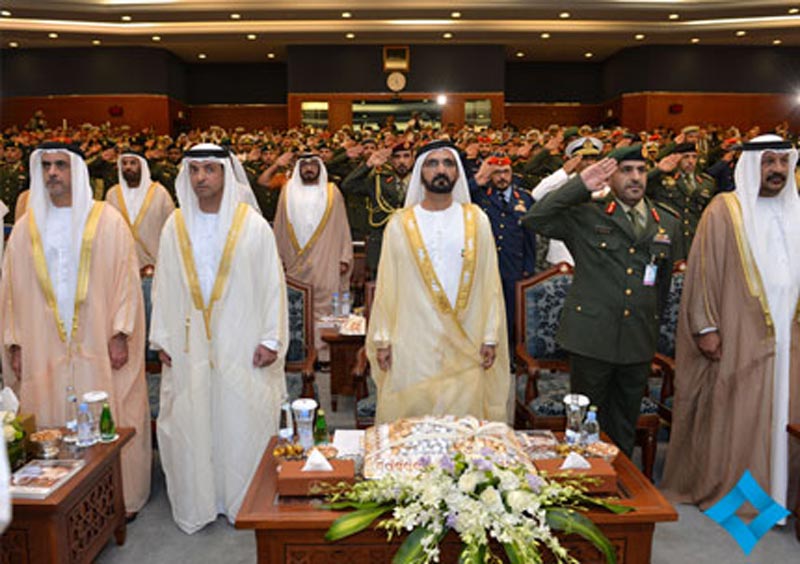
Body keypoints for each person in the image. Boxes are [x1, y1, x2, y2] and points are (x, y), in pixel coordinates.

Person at [0, 142, 151, 514]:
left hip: (99, 342)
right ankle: (55, 507)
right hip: (43, 342)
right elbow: (10, 292)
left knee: (108, 412)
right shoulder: (24, 229)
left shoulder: (108, 220)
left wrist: (121, 332)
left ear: (77, 171)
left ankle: (116, 501)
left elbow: (127, 281)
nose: (53, 173)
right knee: (48, 417)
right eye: (47, 166)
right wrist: (14, 343)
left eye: (61, 166)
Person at [149, 143, 288, 534]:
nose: (201, 179)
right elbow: (162, 285)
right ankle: (201, 501)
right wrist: (161, 339)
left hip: (243, 343)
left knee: (241, 420)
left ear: (226, 174)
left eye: (210, 169)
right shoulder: (174, 226)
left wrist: (271, 340)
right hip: (188, 344)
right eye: (194, 171)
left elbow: (271, 286)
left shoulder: (253, 226)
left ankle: (242, 500)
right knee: (193, 423)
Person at [662, 134, 799, 514]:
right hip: (741, 334)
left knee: (787, 414)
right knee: (742, 416)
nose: (776, 170)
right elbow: (702, 273)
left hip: (791, 336)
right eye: (768, 162)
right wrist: (706, 327)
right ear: (752, 166)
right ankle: (743, 501)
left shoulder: (797, 209)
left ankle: (783, 495)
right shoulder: (725, 210)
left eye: (783, 162)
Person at [523, 145, 684, 457]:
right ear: (611, 177)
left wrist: (650, 326)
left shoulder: (666, 222)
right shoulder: (587, 214)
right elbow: (535, 217)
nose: (635, 178)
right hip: (592, 337)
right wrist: (579, 185)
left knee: (625, 421)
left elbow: (661, 285)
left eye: (640, 170)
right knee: (583, 421)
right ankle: (585, 483)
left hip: (638, 336)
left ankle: (620, 481)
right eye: (626, 170)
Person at [367, 141, 511, 424]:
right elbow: (387, 287)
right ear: (421, 171)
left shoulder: (477, 219)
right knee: (412, 425)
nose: (440, 170)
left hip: (467, 336)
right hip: (413, 339)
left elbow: (490, 283)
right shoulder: (399, 223)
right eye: (432, 164)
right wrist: (382, 339)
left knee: (463, 427)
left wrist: (490, 336)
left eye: (448, 163)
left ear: (458, 172)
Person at [273, 153, 352, 341]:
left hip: (327, 259)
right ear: (298, 168)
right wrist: (277, 257)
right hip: (294, 261)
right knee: (296, 307)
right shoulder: (287, 191)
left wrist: (344, 257)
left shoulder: (332, 192)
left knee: (327, 306)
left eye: (313, 165)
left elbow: (342, 226)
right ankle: (300, 353)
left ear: (320, 168)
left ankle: (325, 352)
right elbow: (280, 226)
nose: (309, 169)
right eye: (305, 165)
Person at [469, 155, 536, 350]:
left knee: (512, 311)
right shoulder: (480, 195)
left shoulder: (524, 198)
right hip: (485, 263)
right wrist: (477, 180)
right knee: (485, 309)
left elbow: (530, 236)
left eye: (505, 172)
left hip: (514, 263)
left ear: (512, 173)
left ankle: (511, 353)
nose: (502, 177)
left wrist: (529, 267)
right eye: (497, 173)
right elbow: (460, 197)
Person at [530, 136, 605, 267]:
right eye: (583, 159)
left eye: (592, 158)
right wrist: (564, 172)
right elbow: (537, 194)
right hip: (563, 256)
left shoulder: (605, 185)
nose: (589, 163)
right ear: (573, 161)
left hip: (595, 254)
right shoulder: (562, 182)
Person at [341, 141, 414, 274]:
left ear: (413, 159)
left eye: (406, 156)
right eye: (397, 157)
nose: (402, 161)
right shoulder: (378, 180)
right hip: (381, 239)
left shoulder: (421, 181)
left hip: (411, 240)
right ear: (391, 160)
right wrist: (368, 165)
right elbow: (348, 185)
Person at [646, 143, 716, 249]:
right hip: (670, 238)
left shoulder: (707, 183)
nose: (691, 161)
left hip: (695, 238)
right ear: (676, 159)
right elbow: (639, 187)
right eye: (685, 157)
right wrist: (658, 170)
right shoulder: (662, 180)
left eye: (694, 157)